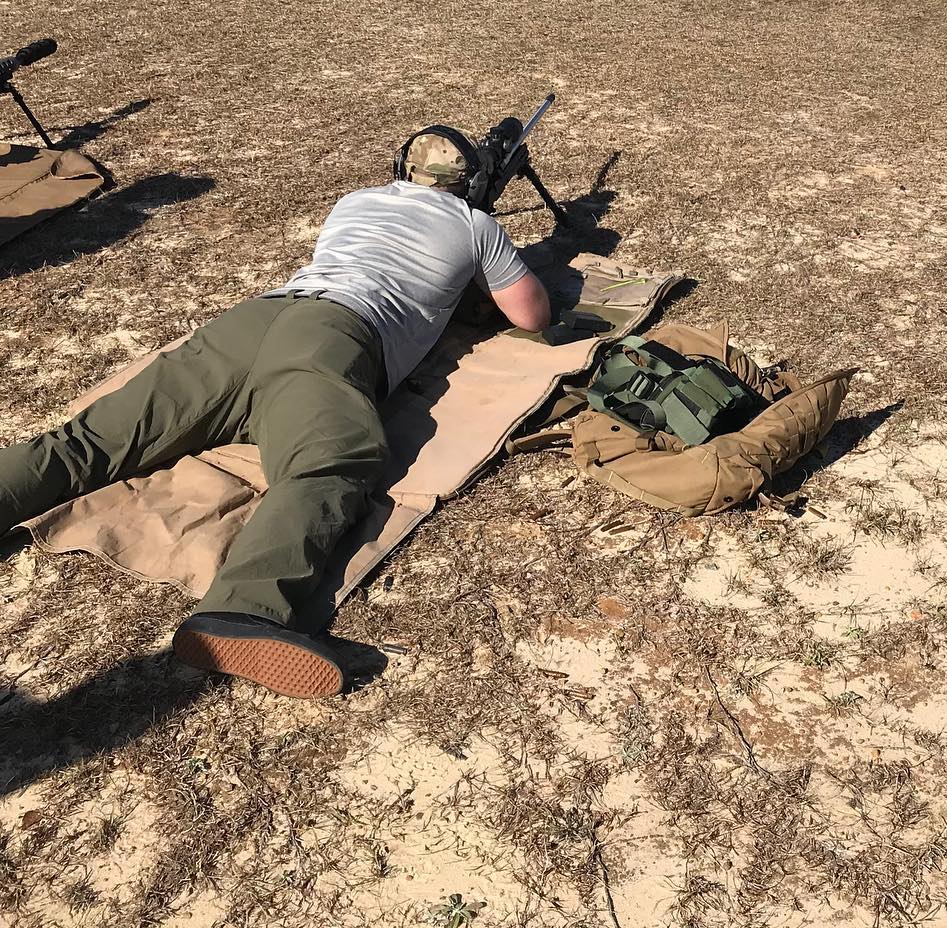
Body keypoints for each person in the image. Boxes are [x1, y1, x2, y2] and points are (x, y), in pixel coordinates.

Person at [0, 129, 550, 698]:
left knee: (87, 442)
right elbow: (531, 315)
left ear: (400, 167)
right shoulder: (475, 225)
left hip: (251, 322)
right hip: (332, 336)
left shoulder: (356, 201)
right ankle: (244, 610)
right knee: (328, 464)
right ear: (474, 183)